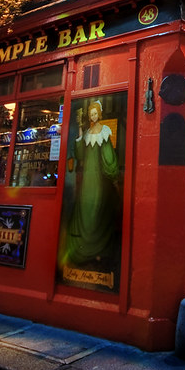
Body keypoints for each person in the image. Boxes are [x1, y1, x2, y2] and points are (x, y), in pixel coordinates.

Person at [66, 101, 120, 266]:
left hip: (97, 178)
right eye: (91, 114)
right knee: (86, 208)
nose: (93, 116)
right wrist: (80, 134)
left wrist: (113, 174)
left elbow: (108, 156)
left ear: (100, 114)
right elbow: (80, 155)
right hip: (87, 179)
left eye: (95, 113)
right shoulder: (88, 132)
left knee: (96, 207)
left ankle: (97, 249)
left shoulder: (104, 132)